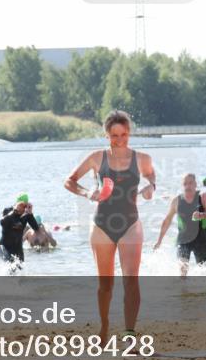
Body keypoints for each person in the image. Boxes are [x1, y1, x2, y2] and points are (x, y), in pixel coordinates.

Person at [64, 110, 156, 342]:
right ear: (107, 135)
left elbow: (152, 177)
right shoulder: (97, 158)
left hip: (130, 224)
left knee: (131, 281)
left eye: (123, 134)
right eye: (114, 135)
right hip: (102, 225)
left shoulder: (142, 159)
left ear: (129, 133)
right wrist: (87, 193)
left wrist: (150, 188)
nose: (119, 139)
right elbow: (69, 181)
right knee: (105, 285)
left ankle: (129, 334)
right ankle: (104, 327)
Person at [153, 173, 206, 278]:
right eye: (185, 184)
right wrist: (159, 241)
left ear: (195, 184)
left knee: (204, 273)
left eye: (190, 183)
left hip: (201, 240)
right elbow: (167, 220)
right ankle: (183, 292)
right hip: (183, 241)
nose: (188, 186)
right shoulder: (176, 201)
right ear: (182, 185)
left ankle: (202, 293)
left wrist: (202, 215)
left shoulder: (203, 197)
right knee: (182, 273)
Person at [0, 195, 39, 270]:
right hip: (5, 246)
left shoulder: (26, 214)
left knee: (20, 270)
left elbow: (36, 228)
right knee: (11, 268)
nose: (23, 208)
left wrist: (30, 214)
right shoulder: (8, 210)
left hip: (17, 247)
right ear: (17, 203)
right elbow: (3, 222)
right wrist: (15, 211)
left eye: (25, 206)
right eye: (22, 205)